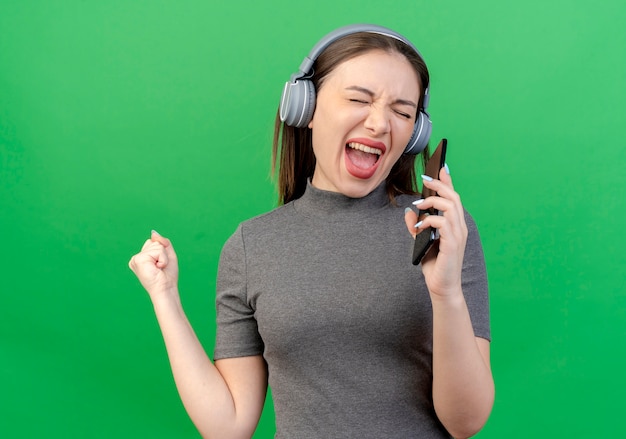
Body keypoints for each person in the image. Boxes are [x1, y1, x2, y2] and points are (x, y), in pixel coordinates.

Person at [129, 24, 494, 439]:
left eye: (402, 111)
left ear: (415, 133)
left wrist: (445, 292)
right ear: (306, 108)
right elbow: (228, 426)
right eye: (359, 99)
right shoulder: (252, 247)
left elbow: (465, 422)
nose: (379, 123)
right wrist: (165, 297)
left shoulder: (443, 232)